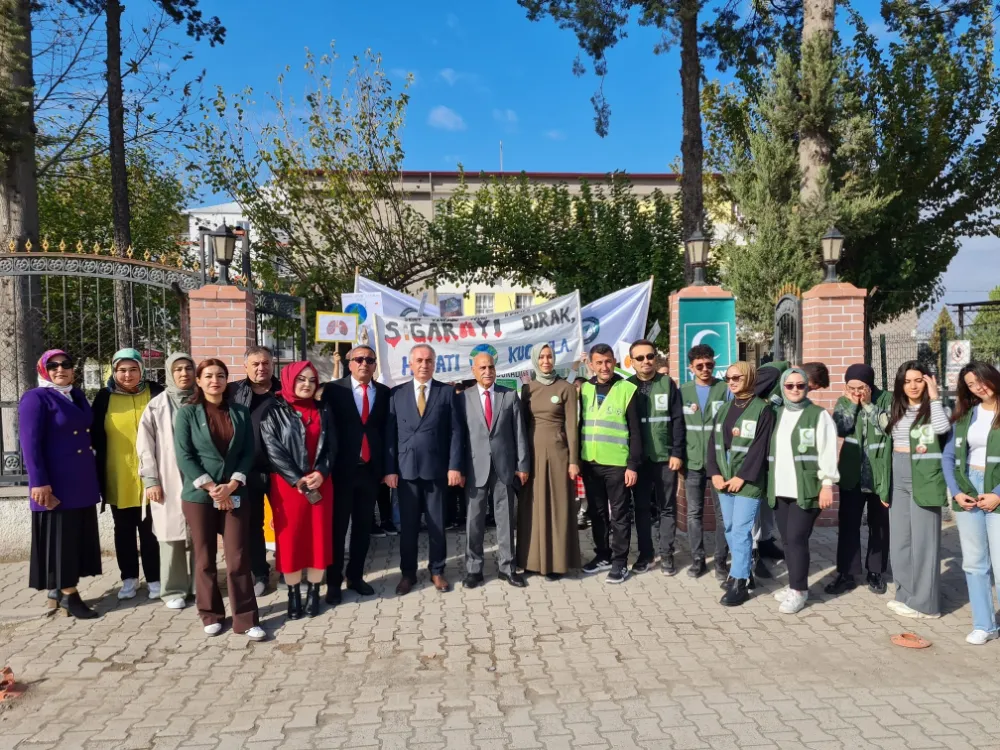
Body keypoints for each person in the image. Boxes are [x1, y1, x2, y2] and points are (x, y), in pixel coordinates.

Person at [174, 359, 264, 641]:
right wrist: (213, 488)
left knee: (238, 558)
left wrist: (233, 484)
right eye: (209, 376)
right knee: (204, 558)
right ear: (199, 381)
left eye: (221, 376)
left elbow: (249, 452)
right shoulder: (187, 413)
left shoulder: (239, 412)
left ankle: (246, 619)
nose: (215, 380)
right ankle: (211, 614)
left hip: (235, 492)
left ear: (227, 381)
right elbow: (184, 455)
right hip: (200, 496)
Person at [20, 350, 103, 619]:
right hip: (55, 484)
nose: (60, 370)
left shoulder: (76, 395)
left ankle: (56, 591)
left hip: (80, 481)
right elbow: (30, 445)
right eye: (52, 366)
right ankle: (69, 595)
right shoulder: (36, 398)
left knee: (74, 538)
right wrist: (39, 483)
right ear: (43, 370)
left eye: (65, 365)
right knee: (62, 541)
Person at [384, 344, 464, 595]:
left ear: (434, 363)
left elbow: (456, 432)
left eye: (429, 360)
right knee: (408, 528)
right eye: (419, 360)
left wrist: (454, 466)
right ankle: (407, 574)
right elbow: (390, 436)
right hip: (406, 473)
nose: (424, 364)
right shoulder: (396, 394)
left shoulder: (447, 393)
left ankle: (437, 570)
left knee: (437, 524)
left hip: (436, 471)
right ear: (410, 364)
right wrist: (390, 469)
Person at [261, 361, 335, 619]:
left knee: (318, 540)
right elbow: (273, 450)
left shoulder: (324, 410)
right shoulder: (273, 412)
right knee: (290, 542)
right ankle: (293, 595)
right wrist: (297, 479)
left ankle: (314, 593)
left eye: (312, 380)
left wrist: (321, 473)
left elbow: (332, 447)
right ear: (290, 380)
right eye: (301, 379)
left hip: (320, 486)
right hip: (288, 489)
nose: (307, 384)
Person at [91, 348, 164, 601]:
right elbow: (94, 436)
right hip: (117, 474)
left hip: (152, 475)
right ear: (114, 371)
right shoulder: (104, 398)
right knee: (123, 529)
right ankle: (129, 578)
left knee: (151, 530)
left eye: (133, 369)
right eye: (122, 370)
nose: (128, 375)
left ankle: (155, 578)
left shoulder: (155, 392)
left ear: (142, 369)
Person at [767, 368, 839, 614]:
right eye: (789, 386)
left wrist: (827, 484)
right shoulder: (776, 413)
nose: (795, 389)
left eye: (800, 385)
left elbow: (828, 451)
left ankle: (799, 591)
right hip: (779, 488)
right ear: (782, 387)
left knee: (797, 539)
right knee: (787, 539)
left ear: (807, 387)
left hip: (806, 488)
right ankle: (794, 585)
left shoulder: (819, 415)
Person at [322, 344, 389, 605]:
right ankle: (333, 582)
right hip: (341, 471)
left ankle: (356, 577)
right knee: (337, 530)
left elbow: (385, 431)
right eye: (359, 359)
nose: (364, 364)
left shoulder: (383, 393)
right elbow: (326, 431)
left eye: (369, 360)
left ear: (375, 365)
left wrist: (385, 469)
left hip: (369, 472)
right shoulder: (334, 390)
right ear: (349, 363)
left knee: (363, 529)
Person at [883, 361, 950, 619]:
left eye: (918, 380)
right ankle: (906, 594)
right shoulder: (896, 408)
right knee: (900, 541)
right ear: (901, 384)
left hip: (923, 475)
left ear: (927, 382)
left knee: (924, 543)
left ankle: (926, 605)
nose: (913, 386)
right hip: (898, 473)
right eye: (907, 381)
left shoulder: (933, 409)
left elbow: (943, 429)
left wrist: (935, 397)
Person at [707, 361, 776, 606]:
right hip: (723, 477)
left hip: (748, 478)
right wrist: (714, 472)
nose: (732, 382)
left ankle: (740, 581)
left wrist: (742, 476)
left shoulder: (763, 409)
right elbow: (713, 443)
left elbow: (760, 448)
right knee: (729, 528)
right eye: (728, 378)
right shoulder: (724, 408)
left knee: (740, 529)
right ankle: (743, 571)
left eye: (737, 377)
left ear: (749, 378)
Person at [460, 352, 530, 589]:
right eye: (482, 368)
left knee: (506, 518)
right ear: (474, 371)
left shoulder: (508, 395)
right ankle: (473, 570)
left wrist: (522, 465)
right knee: (474, 521)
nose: (487, 371)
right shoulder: (464, 398)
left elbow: (519, 432)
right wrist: (458, 468)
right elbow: (458, 438)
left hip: (504, 468)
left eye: (491, 367)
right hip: (474, 468)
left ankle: (507, 567)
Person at [942, 361, 1000, 644]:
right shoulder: (966, 416)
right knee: (975, 563)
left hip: (996, 492)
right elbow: (948, 457)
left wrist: (998, 494)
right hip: (969, 491)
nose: (978, 387)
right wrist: (955, 491)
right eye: (971, 385)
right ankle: (984, 625)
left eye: (981, 381)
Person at [136, 353, 196, 609]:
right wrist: (151, 480)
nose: (184, 374)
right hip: (169, 480)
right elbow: (145, 446)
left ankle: (199, 586)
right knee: (171, 536)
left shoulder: (204, 399)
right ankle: (173, 589)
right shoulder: (157, 405)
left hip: (199, 480)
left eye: (188, 368)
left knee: (200, 536)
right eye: (178, 369)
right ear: (170, 373)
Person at [826, 364, 892, 596]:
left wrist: (869, 405)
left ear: (870, 385)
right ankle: (846, 573)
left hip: (879, 475)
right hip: (852, 475)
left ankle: (875, 571)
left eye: (861, 388)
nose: (856, 392)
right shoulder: (844, 401)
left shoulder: (886, 399)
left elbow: (889, 428)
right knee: (848, 525)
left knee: (880, 526)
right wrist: (853, 405)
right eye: (851, 387)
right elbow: (841, 429)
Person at [579, 343, 642, 583]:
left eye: (608, 361)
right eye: (599, 362)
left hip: (617, 464)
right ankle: (602, 555)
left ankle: (619, 562)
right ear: (592, 365)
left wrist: (632, 465)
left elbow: (636, 432)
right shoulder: (584, 389)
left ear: (614, 361)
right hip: (591, 462)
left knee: (619, 514)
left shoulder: (627, 389)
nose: (604, 367)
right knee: (596, 514)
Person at [518, 343, 581, 579]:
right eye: (542, 357)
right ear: (535, 360)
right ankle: (531, 561)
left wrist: (573, 461)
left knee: (557, 506)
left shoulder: (565, 388)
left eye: (550, 356)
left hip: (558, 455)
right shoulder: (528, 389)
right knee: (531, 507)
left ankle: (556, 563)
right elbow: (521, 426)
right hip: (532, 456)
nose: (546, 361)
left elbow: (572, 428)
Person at [626, 339, 685, 576]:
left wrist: (677, 452)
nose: (646, 361)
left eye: (649, 356)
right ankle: (646, 555)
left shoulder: (667, 383)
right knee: (640, 509)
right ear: (632, 362)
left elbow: (679, 420)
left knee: (667, 507)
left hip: (664, 457)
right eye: (639, 358)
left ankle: (667, 554)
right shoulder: (626, 387)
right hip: (639, 460)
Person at [227, 346, 280, 596]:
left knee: (286, 523)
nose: (261, 368)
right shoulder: (234, 392)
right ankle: (260, 572)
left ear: (272, 365)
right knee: (252, 525)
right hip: (247, 472)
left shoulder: (284, 391)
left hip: (281, 471)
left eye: (266, 363)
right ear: (245, 367)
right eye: (256, 364)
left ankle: (288, 569)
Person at [680, 344, 730, 580]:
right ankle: (698, 559)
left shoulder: (724, 389)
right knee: (694, 513)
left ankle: (721, 561)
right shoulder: (683, 391)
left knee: (723, 515)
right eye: (699, 366)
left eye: (709, 364)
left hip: (720, 463)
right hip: (692, 462)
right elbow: (677, 428)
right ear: (691, 367)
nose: (705, 369)